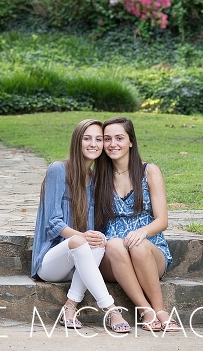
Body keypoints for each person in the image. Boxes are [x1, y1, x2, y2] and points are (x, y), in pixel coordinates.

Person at [31, 118, 131, 333]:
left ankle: (70, 306)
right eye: (87, 139)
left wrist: (96, 239)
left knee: (97, 241)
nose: (93, 144)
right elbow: (52, 223)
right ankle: (112, 310)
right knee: (81, 240)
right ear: (77, 141)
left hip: (80, 262)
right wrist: (82, 237)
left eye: (98, 139)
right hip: (50, 262)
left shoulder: (95, 180)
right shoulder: (58, 170)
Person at [94, 116, 181, 332]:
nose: (113, 144)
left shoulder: (149, 171)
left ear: (131, 141)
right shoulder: (99, 177)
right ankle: (146, 311)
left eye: (119, 138)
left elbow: (162, 220)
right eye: (107, 139)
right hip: (114, 258)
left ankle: (160, 309)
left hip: (150, 251)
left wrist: (141, 232)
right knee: (114, 244)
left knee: (138, 245)